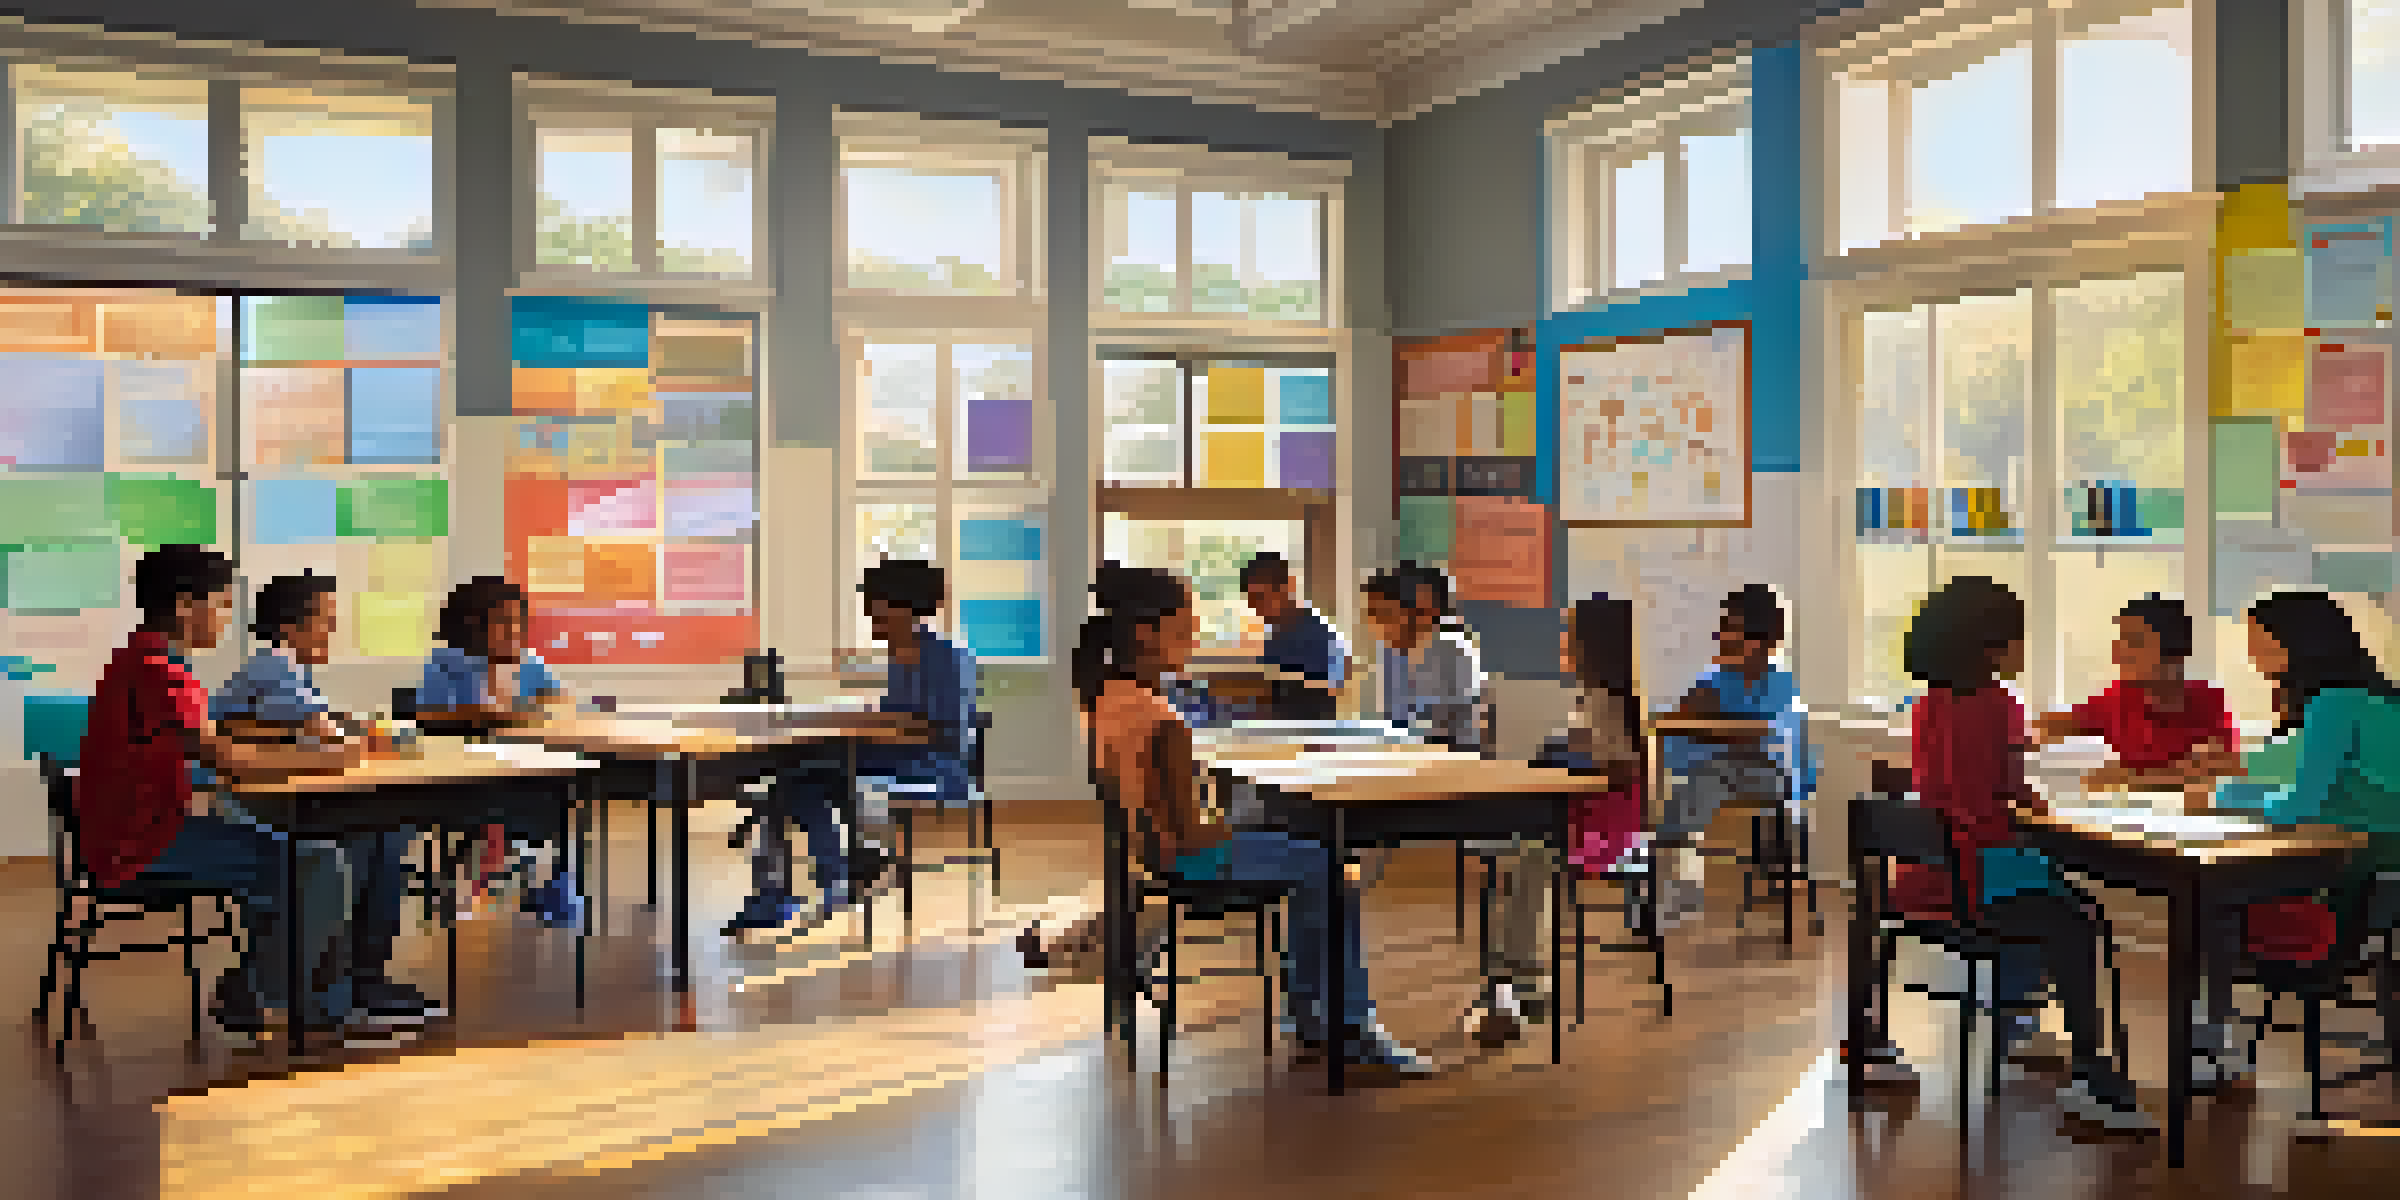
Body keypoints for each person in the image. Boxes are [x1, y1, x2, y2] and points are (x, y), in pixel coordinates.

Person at [1024, 563, 1433, 1075]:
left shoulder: (1106, 700)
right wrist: (1232, 825)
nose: (1194, 634)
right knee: (1333, 868)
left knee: (1305, 851)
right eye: (1185, 624)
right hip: (1193, 862)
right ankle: (1345, 1026)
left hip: (1153, 858)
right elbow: (1196, 833)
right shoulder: (1162, 721)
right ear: (1146, 634)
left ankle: (1315, 1017)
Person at [1869, 575, 2154, 1132]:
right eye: (2019, 638)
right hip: (1975, 878)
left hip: (1924, 878)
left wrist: (2019, 805)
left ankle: (2016, 1023)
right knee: (2076, 920)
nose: (2025, 648)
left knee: (2052, 902)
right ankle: (2092, 1074)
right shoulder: (2000, 705)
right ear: (1991, 647)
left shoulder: (1927, 704)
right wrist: (2037, 815)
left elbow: (1965, 785)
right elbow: (1997, 796)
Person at [74, 545, 360, 1036]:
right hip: (144, 841)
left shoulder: (144, 658)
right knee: (321, 862)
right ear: (187, 606)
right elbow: (221, 754)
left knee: (288, 858)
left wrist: (276, 740)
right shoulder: (160, 672)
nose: (227, 619)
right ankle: (268, 995)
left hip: (135, 827)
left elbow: (211, 738)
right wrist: (326, 756)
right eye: (223, 604)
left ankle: (262, 986)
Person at [213, 572, 441, 1028]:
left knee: (383, 831)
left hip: (268, 802)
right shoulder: (274, 667)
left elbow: (327, 733)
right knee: (372, 836)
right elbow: (336, 740)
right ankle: (339, 985)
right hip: (257, 811)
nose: (332, 631)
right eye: (325, 620)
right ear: (291, 627)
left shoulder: (279, 669)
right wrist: (358, 735)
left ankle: (352, 980)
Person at [2201, 590, 2400, 1090]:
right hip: (2381, 893)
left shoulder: (2335, 706)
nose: (2251, 655)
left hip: (2343, 895)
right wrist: (2235, 785)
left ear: (2293, 645)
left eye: (2258, 642)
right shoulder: (2380, 701)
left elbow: (2297, 805)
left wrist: (2220, 796)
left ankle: (2213, 1045)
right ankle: (2216, 1044)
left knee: (2213, 905)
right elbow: (2312, 782)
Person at [725, 559, 980, 934]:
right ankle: (804, 887)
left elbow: (942, 731)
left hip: (935, 767)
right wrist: (867, 718)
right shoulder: (900, 652)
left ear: (903, 607)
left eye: (876, 605)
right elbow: (900, 712)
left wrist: (875, 728)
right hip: (890, 758)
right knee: (792, 784)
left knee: (801, 775)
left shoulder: (946, 656)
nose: (869, 613)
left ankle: (832, 877)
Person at [1463, 594, 1650, 1047]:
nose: (1564, 644)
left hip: (1604, 829)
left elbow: (1622, 769)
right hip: (1596, 820)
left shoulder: (1608, 699)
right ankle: (1515, 977)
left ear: (1597, 645)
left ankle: (1517, 980)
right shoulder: (1602, 696)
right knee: (1523, 856)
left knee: (1529, 857)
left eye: (1573, 637)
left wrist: (1578, 758)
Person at [417, 577, 582, 928]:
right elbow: (427, 713)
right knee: (493, 819)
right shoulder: (449, 662)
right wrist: (481, 713)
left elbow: (560, 702)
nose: (513, 632)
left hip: (524, 773)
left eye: (518, 624)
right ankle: (473, 875)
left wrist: (538, 708)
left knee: (563, 799)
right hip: (463, 777)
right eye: (502, 623)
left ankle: (550, 886)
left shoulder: (527, 663)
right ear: (473, 625)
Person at [1656, 585, 1815, 926]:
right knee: (1695, 786)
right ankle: (1670, 884)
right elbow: (1679, 723)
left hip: (1773, 779)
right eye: (1722, 627)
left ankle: (1672, 883)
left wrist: (1715, 726)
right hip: (1720, 775)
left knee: (1707, 780)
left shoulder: (1781, 682)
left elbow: (1764, 739)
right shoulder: (1714, 679)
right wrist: (1710, 723)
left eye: (1732, 629)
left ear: (1763, 641)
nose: (1720, 637)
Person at [2034, 594, 2242, 789]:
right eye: (2120, 641)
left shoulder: (2208, 701)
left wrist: (2130, 777)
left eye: (2134, 642)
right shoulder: (2118, 698)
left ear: (2174, 653)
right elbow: (2048, 727)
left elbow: (2223, 772)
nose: (2119, 653)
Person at [1362, 562, 1483, 750]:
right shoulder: (1389, 652)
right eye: (1372, 615)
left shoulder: (1454, 651)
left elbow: (1447, 728)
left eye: (1385, 614)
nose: (1375, 625)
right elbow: (1390, 719)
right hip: (1402, 751)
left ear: (1422, 613)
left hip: (1451, 754)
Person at [1239, 552, 1348, 721]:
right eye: (1253, 602)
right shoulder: (1275, 638)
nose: (1259, 609)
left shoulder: (1320, 637)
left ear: (1288, 586)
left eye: (1263, 598)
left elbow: (1328, 699)